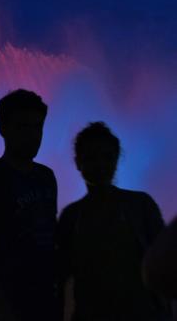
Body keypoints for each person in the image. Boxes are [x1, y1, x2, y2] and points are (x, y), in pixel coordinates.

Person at [56, 122, 169, 321]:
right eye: (91, 158)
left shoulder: (72, 215)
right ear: (78, 162)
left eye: (105, 157)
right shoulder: (140, 205)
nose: (99, 165)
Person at [0, 89, 58, 321]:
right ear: (2, 129)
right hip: (1, 308)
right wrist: (3, 311)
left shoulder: (46, 177)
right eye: (23, 127)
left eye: (38, 127)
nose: (32, 135)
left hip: (41, 303)